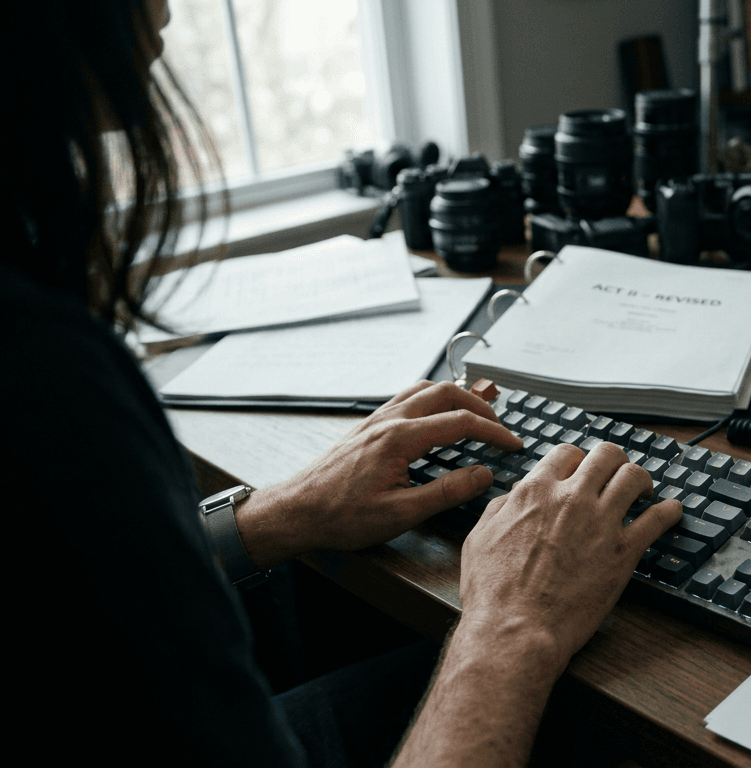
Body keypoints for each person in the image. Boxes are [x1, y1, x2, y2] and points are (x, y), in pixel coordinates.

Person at [3, 3, 680, 767]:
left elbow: (65, 599)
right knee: (610, 710)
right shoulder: (41, 369)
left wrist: (275, 515)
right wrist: (509, 628)